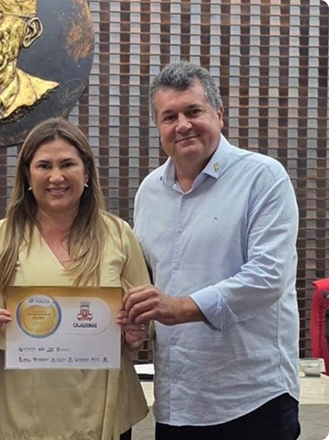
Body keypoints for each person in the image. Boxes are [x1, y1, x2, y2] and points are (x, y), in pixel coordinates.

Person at [125, 61, 300, 440]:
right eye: (169, 117)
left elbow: (268, 278)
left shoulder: (263, 178)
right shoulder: (149, 192)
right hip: (178, 402)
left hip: (253, 400)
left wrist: (181, 308)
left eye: (193, 111)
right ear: (158, 127)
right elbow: (147, 281)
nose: (182, 125)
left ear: (219, 114)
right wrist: (134, 320)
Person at [0, 117, 150, 440]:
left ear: (86, 172)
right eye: (44, 165)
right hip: (23, 411)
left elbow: (140, 319)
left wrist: (135, 332)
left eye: (67, 164)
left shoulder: (118, 235)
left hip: (102, 409)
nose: (56, 176)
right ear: (28, 175)